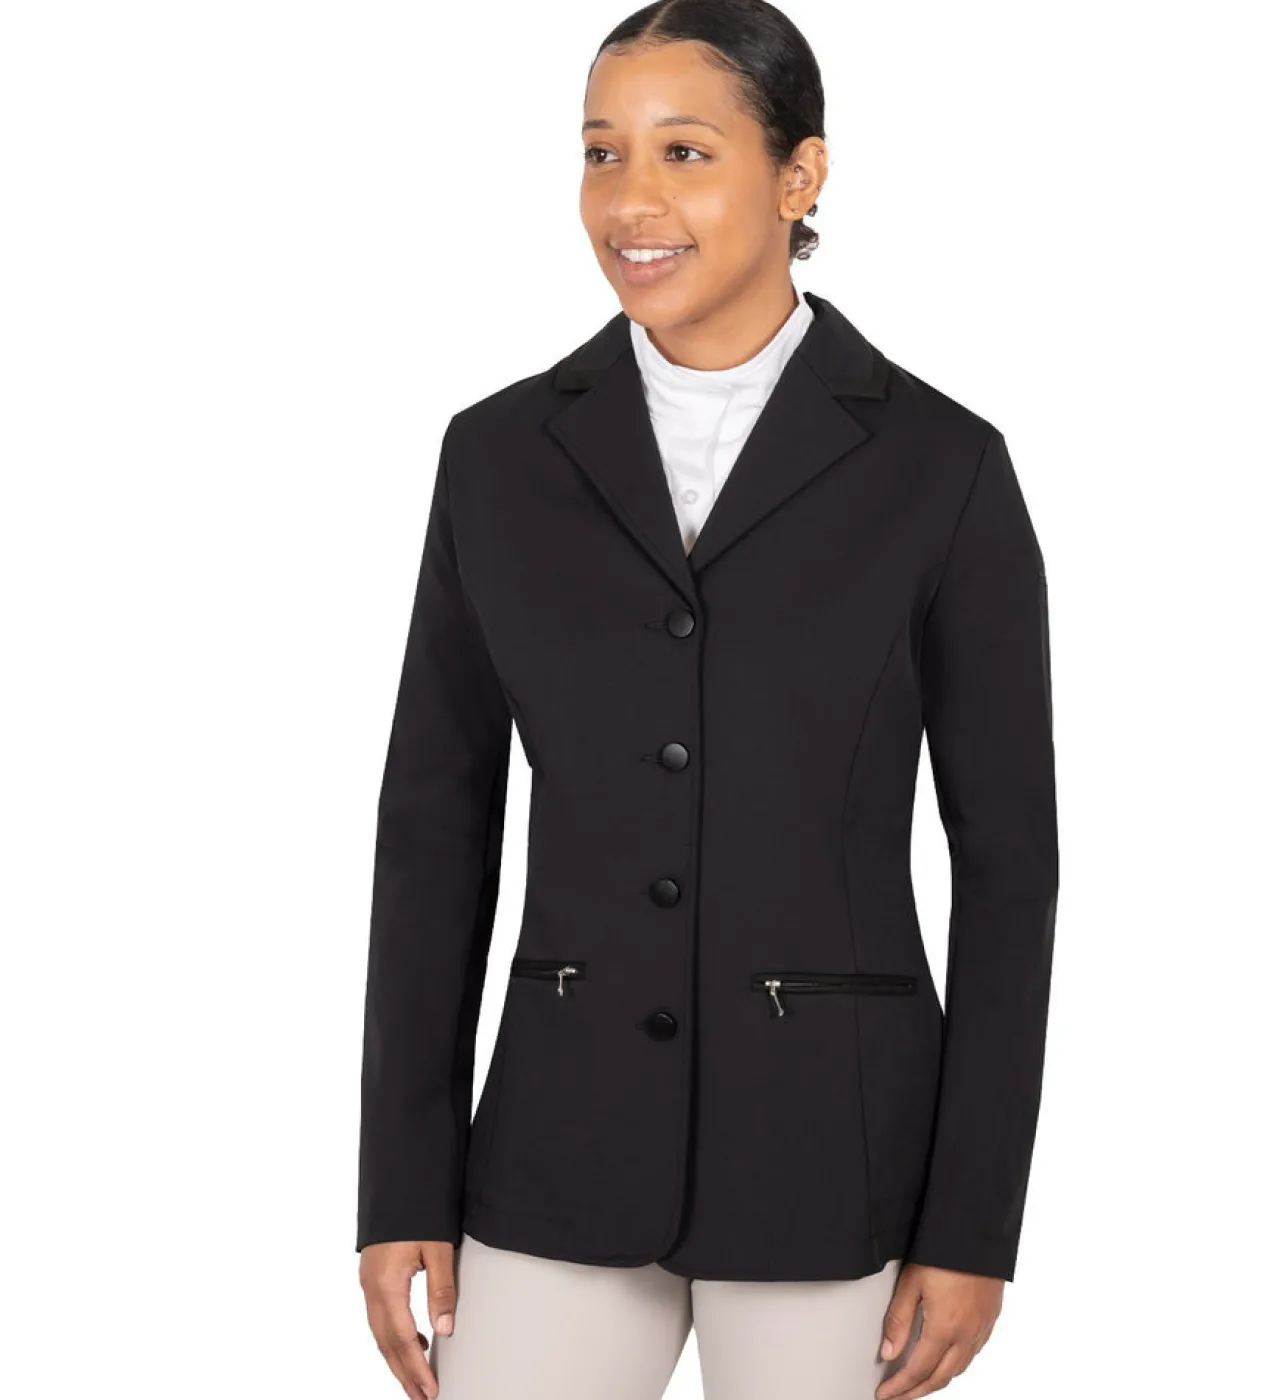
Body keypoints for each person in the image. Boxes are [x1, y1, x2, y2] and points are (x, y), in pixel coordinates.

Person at [356, 2, 1059, 1397]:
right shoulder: (495, 457)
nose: (631, 200)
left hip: (836, 1160)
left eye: (684, 152)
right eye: (600, 152)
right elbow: (433, 832)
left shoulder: (943, 468)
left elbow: (1009, 866)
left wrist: (974, 1223)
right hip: (555, 1149)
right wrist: (400, 1186)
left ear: (801, 176)